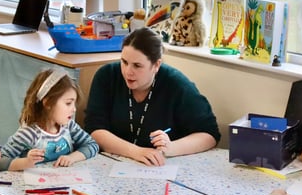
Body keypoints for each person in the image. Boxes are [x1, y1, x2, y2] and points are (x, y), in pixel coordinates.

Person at [84, 27, 220, 166]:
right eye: (124, 62)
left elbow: (209, 134)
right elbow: (94, 129)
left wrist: (171, 147)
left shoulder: (177, 85)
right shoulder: (107, 76)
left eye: (137, 66)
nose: (127, 72)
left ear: (156, 65)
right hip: (111, 163)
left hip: (159, 166)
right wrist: (136, 152)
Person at [0, 69, 99, 171]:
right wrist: (26, 162)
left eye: (74, 103)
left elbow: (92, 145)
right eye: (68, 103)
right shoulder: (28, 134)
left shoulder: (69, 126)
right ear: (48, 103)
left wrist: (72, 158)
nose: (74, 109)